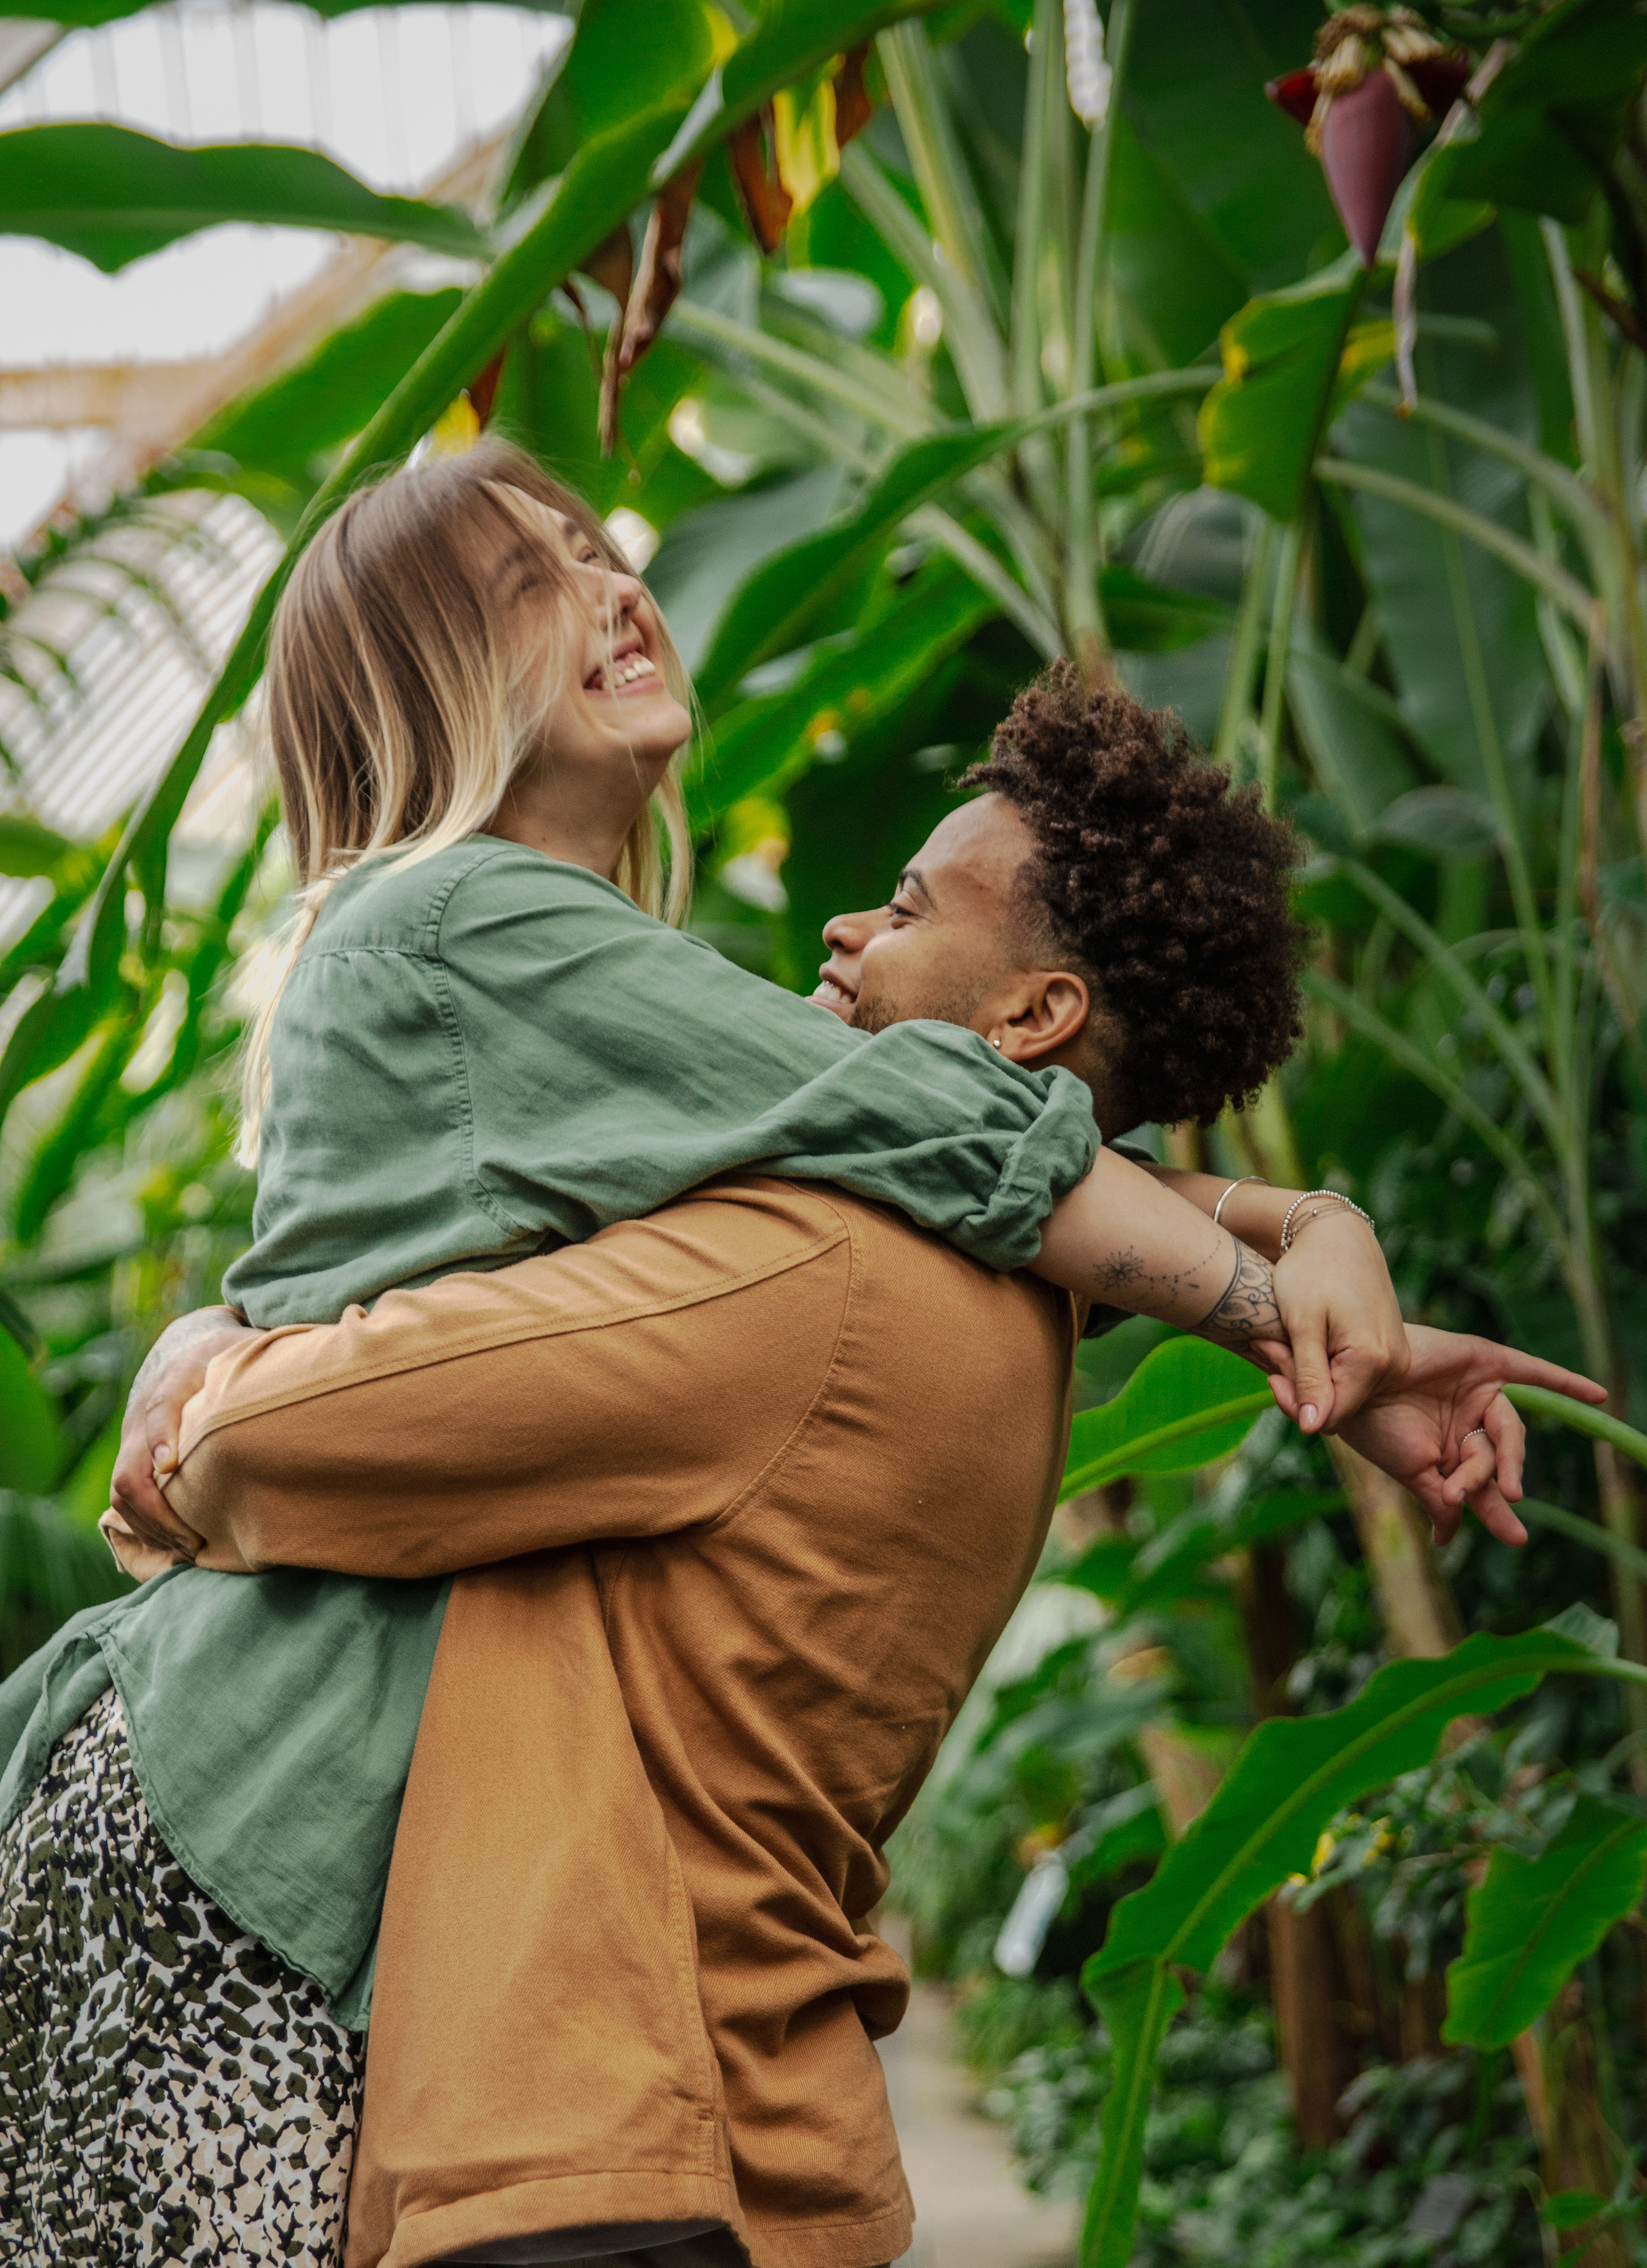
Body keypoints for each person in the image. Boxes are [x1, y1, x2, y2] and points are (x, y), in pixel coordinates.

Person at [0, 443, 1552, 2268]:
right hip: (233, 1820)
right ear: (427, 691)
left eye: (594, 547)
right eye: (531, 584)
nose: (610, 584)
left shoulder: (672, 1078)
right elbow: (921, 1118)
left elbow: (926, 1133)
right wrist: (1275, 1271)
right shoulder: (457, 918)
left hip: (282, 1836)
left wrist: (1310, 1249)